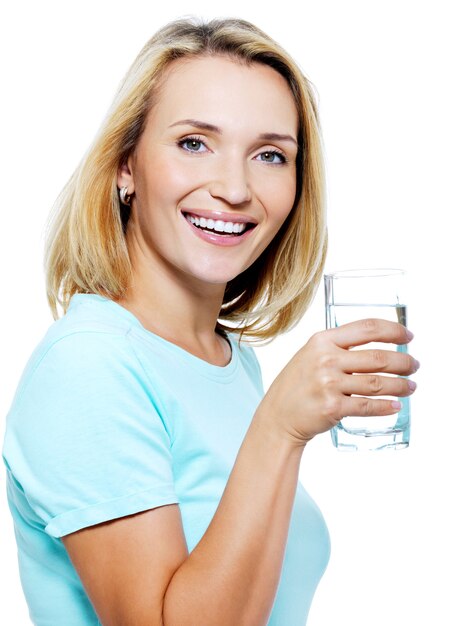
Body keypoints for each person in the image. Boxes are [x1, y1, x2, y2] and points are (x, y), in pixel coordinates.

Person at [1, 16, 418, 626]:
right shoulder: (88, 366)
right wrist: (280, 427)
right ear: (126, 167)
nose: (234, 187)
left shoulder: (228, 358)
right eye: (194, 143)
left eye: (270, 154)